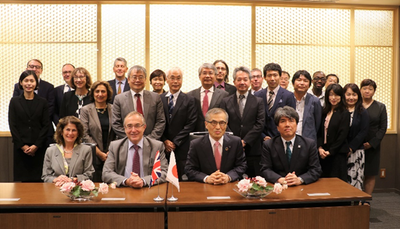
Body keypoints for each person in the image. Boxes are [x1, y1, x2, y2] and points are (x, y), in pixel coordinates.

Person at [220, 66, 265, 177]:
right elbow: (223, 123)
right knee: (231, 179)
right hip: (230, 148)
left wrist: (245, 141)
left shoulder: (258, 101)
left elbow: (260, 124)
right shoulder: (225, 101)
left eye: (245, 79)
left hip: (252, 149)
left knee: (254, 183)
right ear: (234, 82)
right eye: (239, 79)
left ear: (250, 82)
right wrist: (235, 141)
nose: (242, 82)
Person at [103, 111, 168, 188]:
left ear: (144, 127)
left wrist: (143, 181)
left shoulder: (156, 146)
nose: (133, 130)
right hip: (124, 189)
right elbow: (106, 173)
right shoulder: (115, 146)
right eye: (129, 126)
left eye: (137, 126)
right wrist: (127, 181)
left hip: (148, 189)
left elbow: (164, 172)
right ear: (125, 128)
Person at [260, 106, 322, 185]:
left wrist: (300, 179)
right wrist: (279, 179)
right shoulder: (268, 145)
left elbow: (316, 169)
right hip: (277, 187)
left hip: (302, 188)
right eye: (283, 121)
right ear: (277, 127)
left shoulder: (309, 144)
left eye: (291, 121)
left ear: (296, 125)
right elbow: (265, 169)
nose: (287, 125)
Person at [185, 108, 247, 184]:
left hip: (229, 185)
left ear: (226, 124)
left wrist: (228, 177)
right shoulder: (196, 144)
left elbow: (241, 166)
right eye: (213, 123)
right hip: (205, 187)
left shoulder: (235, 142)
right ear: (206, 124)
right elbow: (189, 169)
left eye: (222, 123)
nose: (218, 127)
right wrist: (207, 178)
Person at [9, 70, 50, 182]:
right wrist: (22, 146)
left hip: (39, 148)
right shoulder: (14, 101)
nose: (29, 83)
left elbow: (46, 125)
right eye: (26, 80)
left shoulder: (43, 102)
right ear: (21, 83)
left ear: (36, 83)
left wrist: (36, 145)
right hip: (21, 148)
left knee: (39, 180)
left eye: (32, 81)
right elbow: (12, 125)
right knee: (22, 182)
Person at [160, 67, 197, 180]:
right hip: (163, 146)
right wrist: (165, 140)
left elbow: (191, 123)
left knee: (182, 180)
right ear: (167, 80)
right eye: (172, 78)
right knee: (163, 178)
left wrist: (175, 142)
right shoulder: (159, 99)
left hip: (182, 147)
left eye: (178, 78)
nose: (175, 81)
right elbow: (157, 122)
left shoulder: (190, 100)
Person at [112, 65, 165, 140]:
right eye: (134, 77)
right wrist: (133, 139)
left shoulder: (155, 97)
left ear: (145, 80)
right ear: (128, 80)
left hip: (151, 143)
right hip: (127, 143)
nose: (137, 80)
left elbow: (160, 121)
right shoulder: (119, 99)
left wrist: (148, 140)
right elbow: (116, 124)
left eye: (140, 77)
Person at [13, 59, 55, 146]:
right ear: (26, 68)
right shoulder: (17, 87)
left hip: (43, 133)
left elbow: (50, 108)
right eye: (31, 66)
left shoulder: (49, 87)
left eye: (37, 67)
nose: (34, 69)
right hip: (22, 135)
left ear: (41, 70)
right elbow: (15, 110)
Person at [80, 81, 116, 182]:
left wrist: (111, 151)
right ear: (93, 93)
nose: (100, 94)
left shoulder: (114, 109)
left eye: (103, 91)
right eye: (97, 91)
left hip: (112, 153)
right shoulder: (85, 110)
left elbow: (118, 131)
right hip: (93, 154)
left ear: (108, 94)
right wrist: (99, 153)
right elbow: (84, 134)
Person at [42, 116, 94, 184]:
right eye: (67, 130)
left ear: (78, 133)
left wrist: (73, 179)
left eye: (74, 130)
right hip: (56, 190)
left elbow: (89, 174)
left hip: (77, 190)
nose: (70, 133)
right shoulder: (50, 151)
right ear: (61, 132)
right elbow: (45, 176)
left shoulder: (86, 150)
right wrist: (56, 179)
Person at [255, 63, 296, 141]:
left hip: (281, 139)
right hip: (260, 139)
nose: (272, 78)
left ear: (280, 77)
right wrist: (263, 136)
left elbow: (290, 119)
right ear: (264, 78)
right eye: (269, 75)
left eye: (275, 75)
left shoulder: (288, 95)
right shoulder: (257, 95)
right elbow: (254, 119)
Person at [317, 84, 350, 181]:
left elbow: (342, 135)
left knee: (336, 182)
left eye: (337, 95)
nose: (333, 98)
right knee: (323, 181)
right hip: (323, 152)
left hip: (337, 153)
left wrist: (330, 151)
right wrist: (319, 148)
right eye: (331, 95)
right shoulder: (324, 111)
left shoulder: (344, 112)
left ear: (341, 96)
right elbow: (319, 131)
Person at [360, 79, 387, 196]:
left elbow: (382, 128)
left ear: (374, 91)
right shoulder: (354, 104)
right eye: (365, 88)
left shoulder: (380, 107)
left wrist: (371, 143)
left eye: (370, 89)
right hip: (355, 146)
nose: (367, 91)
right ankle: (353, 200)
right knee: (354, 172)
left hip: (372, 147)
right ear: (360, 90)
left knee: (370, 174)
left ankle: (366, 200)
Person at [187, 63, 229, 132]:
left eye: (210, 73)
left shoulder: (224, 95)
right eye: (204, 73)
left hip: (216, 133)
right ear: (199, 76)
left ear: (215, 76)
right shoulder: (190, 95)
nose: (207, 76)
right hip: (195, 134)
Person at [343, 83, 369, 190]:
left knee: (355, 179)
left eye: (354, 94)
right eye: (348, 94)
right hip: (341, 151)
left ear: (358, 96)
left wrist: (351, 147)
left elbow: (363, 132)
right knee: (342, 179)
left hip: (356, 151)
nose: (351, 98)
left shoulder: (362, 112)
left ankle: (356, 204)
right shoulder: (340, 110)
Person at [292, 70, 322, 142]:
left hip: (308, 141)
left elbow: (318, 124)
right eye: (299, 80)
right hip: (289, 140)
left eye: (305, 81)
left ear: (309, 84)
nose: (302, 83)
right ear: (293, 83)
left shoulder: (315, 101)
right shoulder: (287, 99)